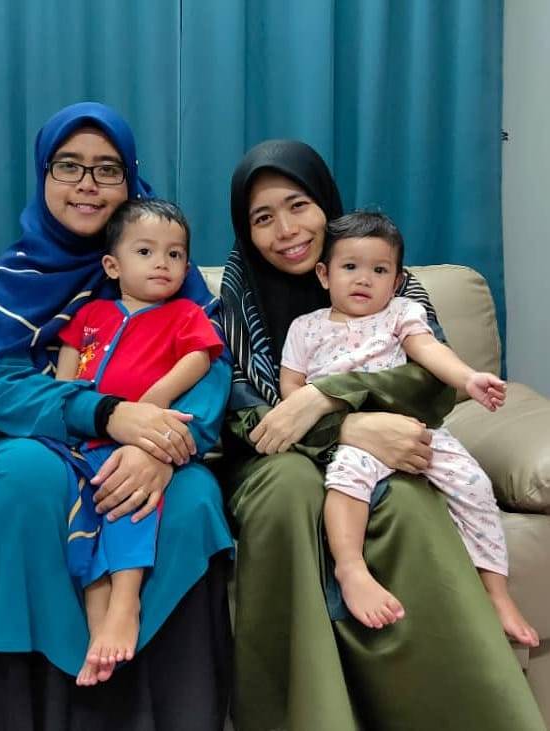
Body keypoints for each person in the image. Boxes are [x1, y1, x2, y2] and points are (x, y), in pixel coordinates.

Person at [0, 102, 233, 731]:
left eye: (107, 169)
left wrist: (162, 446)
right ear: (44, 174)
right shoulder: (14, 276)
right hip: (39, 440)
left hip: (155, 444)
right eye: (69, 166)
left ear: (130, 179)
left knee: (191, 500)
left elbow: (210, 368)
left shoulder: (172, 273)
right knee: (25, 482)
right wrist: (107, 416)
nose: (87, 184)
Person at [218, 138, 546, 731]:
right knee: (289, 488)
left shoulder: (395, 288)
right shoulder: (235, 304)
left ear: (326, 204)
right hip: (274, 461)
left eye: (298, 206)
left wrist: (328, 397)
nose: (285, 230)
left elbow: (432, 380)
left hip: (393, 448)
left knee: (413, 504)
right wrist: (347, 426)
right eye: (262, 218)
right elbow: (247, 418)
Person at [279, 210, 539, 646]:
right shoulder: (306, 328)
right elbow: (291, 385)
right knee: (346, 479)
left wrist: (469, 379)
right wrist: (309, 412)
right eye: (350, 267)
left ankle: (496, 593)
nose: (364, 279)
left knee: (474, 483)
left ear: (397, 281)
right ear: (324, 274)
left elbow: (430, 350)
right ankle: (350, 568)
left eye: (379, 270)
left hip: (411, 427)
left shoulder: (401, 313)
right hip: (353, 432)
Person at [55, 198, 223, 685]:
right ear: (113, 266)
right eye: (146, 252)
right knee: (80, 513)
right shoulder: (90, 314)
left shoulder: (185, 313)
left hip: (139, 441)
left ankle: (125, 603)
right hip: (84, 438)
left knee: (129, 502)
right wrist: (68, 412)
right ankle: (97, 618)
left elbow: (200, 358)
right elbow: (65, 375)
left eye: (175, 255)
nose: (162, 264)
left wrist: (155, 399)